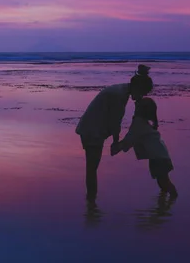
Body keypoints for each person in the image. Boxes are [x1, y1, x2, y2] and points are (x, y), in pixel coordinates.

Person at [75, 65, 153, 206]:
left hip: (92, 129)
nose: (140, 97)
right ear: (137, 87)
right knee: (92, 168)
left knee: (92, 168)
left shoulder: (121, 90)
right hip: (92, 131)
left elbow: (114, 120)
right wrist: (116, 142)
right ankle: (91, 203)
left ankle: (91, 200)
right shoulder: (119, 95)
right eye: (142, 93)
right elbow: (115, 122)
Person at [111, 97, 178, 198]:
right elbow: (132, 138)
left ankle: (173, 200)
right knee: (161, 181)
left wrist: (117, 147)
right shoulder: (143, 123)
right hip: (160, 156)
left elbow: (130, 139)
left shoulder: (139, 124)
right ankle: (164, 205)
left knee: (164, 182)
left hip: (158, 157)